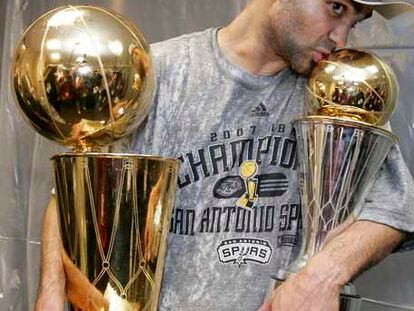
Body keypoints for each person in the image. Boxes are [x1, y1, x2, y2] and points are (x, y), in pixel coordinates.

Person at [35, 1, 414, 310]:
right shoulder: (157, 74)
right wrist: (51, 294)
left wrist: (322, 275)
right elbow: (77, 190)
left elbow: (396, 207)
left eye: (355, 20)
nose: (341, 37)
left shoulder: (338, 90)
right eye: (336, 8)